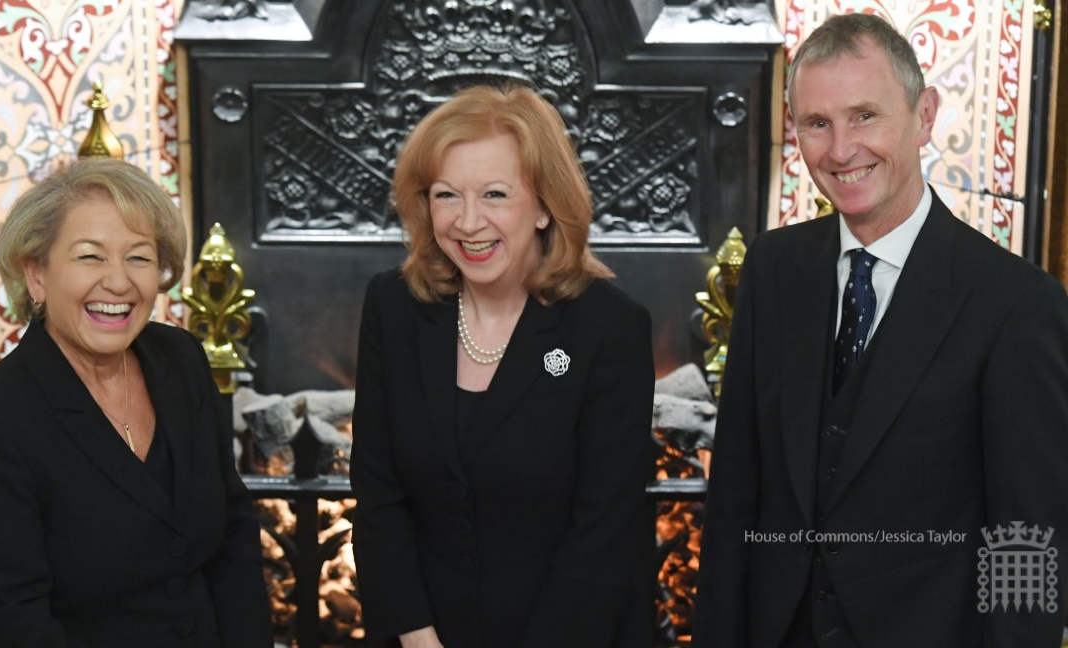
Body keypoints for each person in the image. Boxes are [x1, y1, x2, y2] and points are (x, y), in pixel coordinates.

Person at [692, 12, 1068, 648]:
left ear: (924, 116)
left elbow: (1028, 539)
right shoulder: (774, 268)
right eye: (817, 123)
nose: (841, 150)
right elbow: (735, 496)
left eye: (865, 115)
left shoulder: (1017, 303)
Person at [351, 84, 655, 648]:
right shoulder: (393, 307)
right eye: (446, 196)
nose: (468, 223)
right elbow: (377, 495)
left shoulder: (608, 328)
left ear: (544, 205)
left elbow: (604, 530)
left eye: (494, 194)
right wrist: (418, 639)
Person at [0, 158, 273, 648]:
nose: (118, 283)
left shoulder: (180, 360)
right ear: (35, 274)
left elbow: (232, 534)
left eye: (138, 257)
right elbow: (16, 624)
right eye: (90, 257)